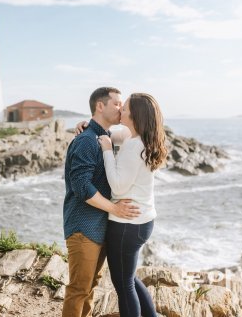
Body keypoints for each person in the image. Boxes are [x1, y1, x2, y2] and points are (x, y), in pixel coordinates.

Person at [62, 87, 141, 317]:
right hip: (83, 227)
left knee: (90, 287)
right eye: (117, 103)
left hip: (99, 226)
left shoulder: (103, 136)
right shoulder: (87, 141)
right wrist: (115, 208)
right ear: (100, 106)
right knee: (79, 289)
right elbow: (81, 188)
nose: (121, 108)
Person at [97, 93, 167, 317]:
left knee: (123, 284)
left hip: (126, 225)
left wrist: (107, 150)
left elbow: (117, 187)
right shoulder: (143, 139)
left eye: (125, 109)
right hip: (143, 221)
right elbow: (116, 133)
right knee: (129, 278)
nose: (121, 111)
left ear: (135, 115)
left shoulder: (133, 146)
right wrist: (96, 128)